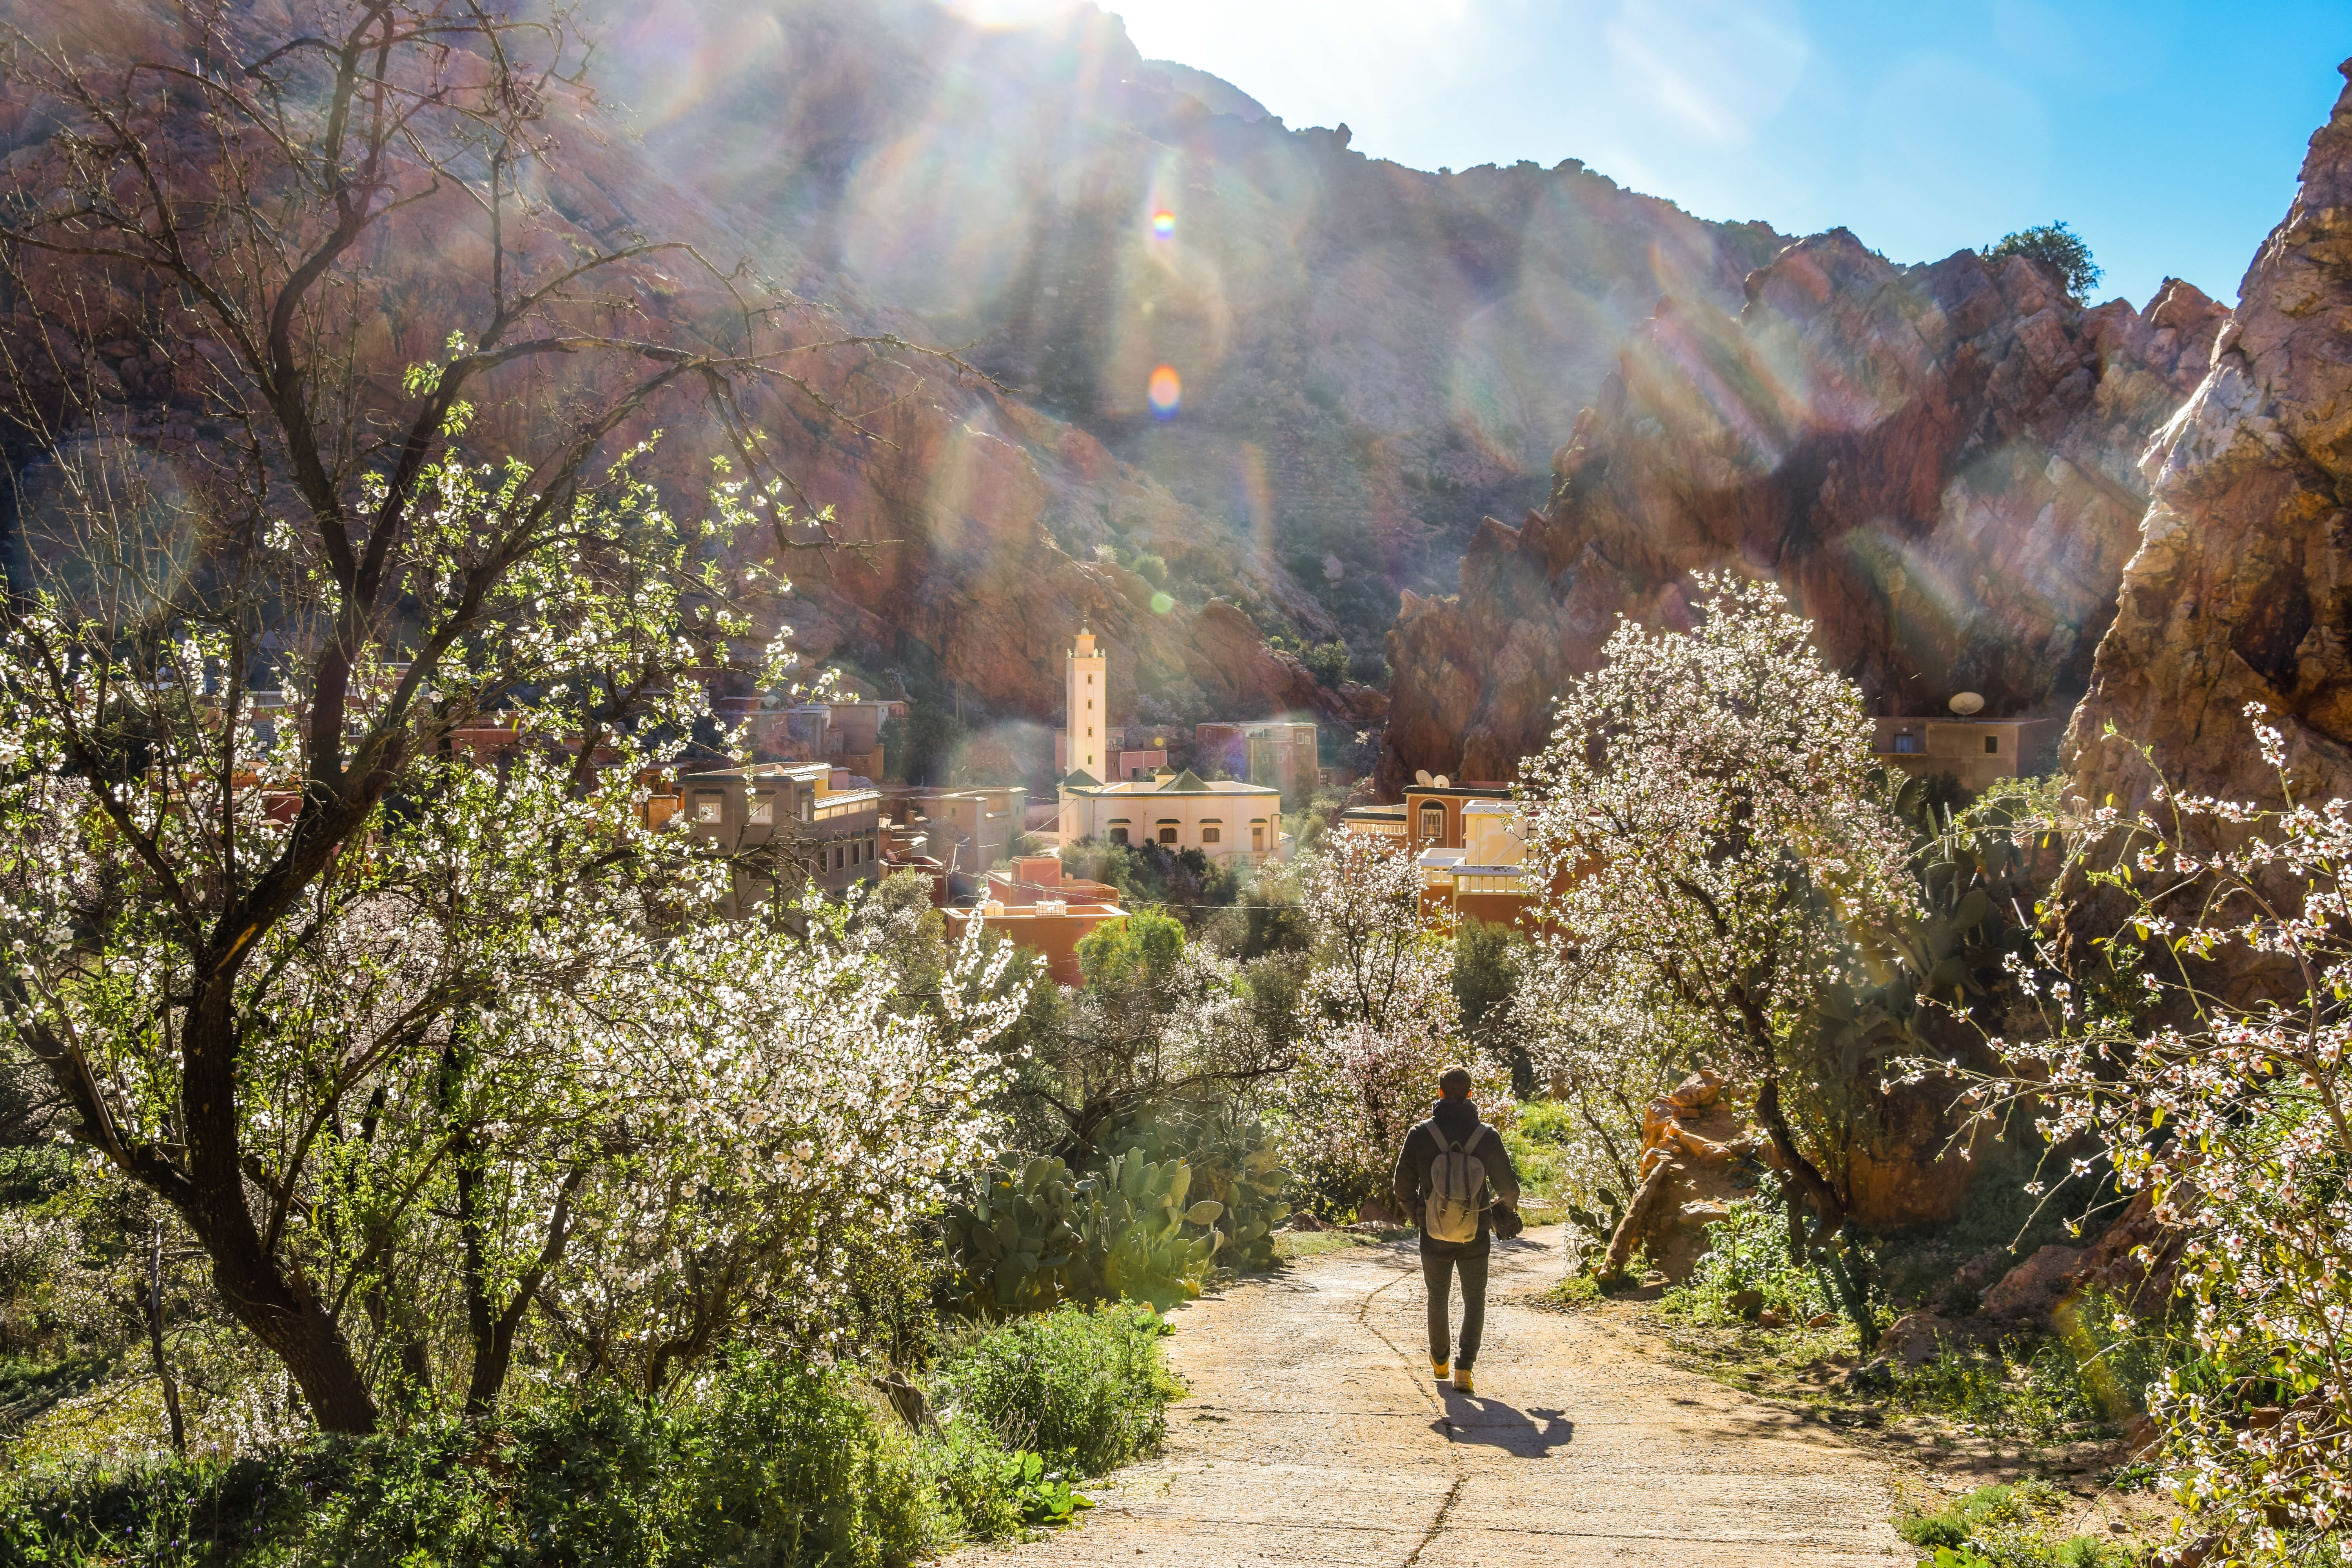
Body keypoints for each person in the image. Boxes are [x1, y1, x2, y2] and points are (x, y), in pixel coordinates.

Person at [1392, 1065, 1520, 1396]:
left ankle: (1440, 1363)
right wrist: (1503, 1214)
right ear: (1470, 1094)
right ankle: (1465, 1370)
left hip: (1433, 1232)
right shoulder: (1486, 1136)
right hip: (1475, 1231)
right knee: (1474, 1298)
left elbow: (1401, 1186)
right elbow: (1508, 1189)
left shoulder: (1421, 1134)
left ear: (1440, 1093)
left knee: (1438, 1297)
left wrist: (1420, 1216)